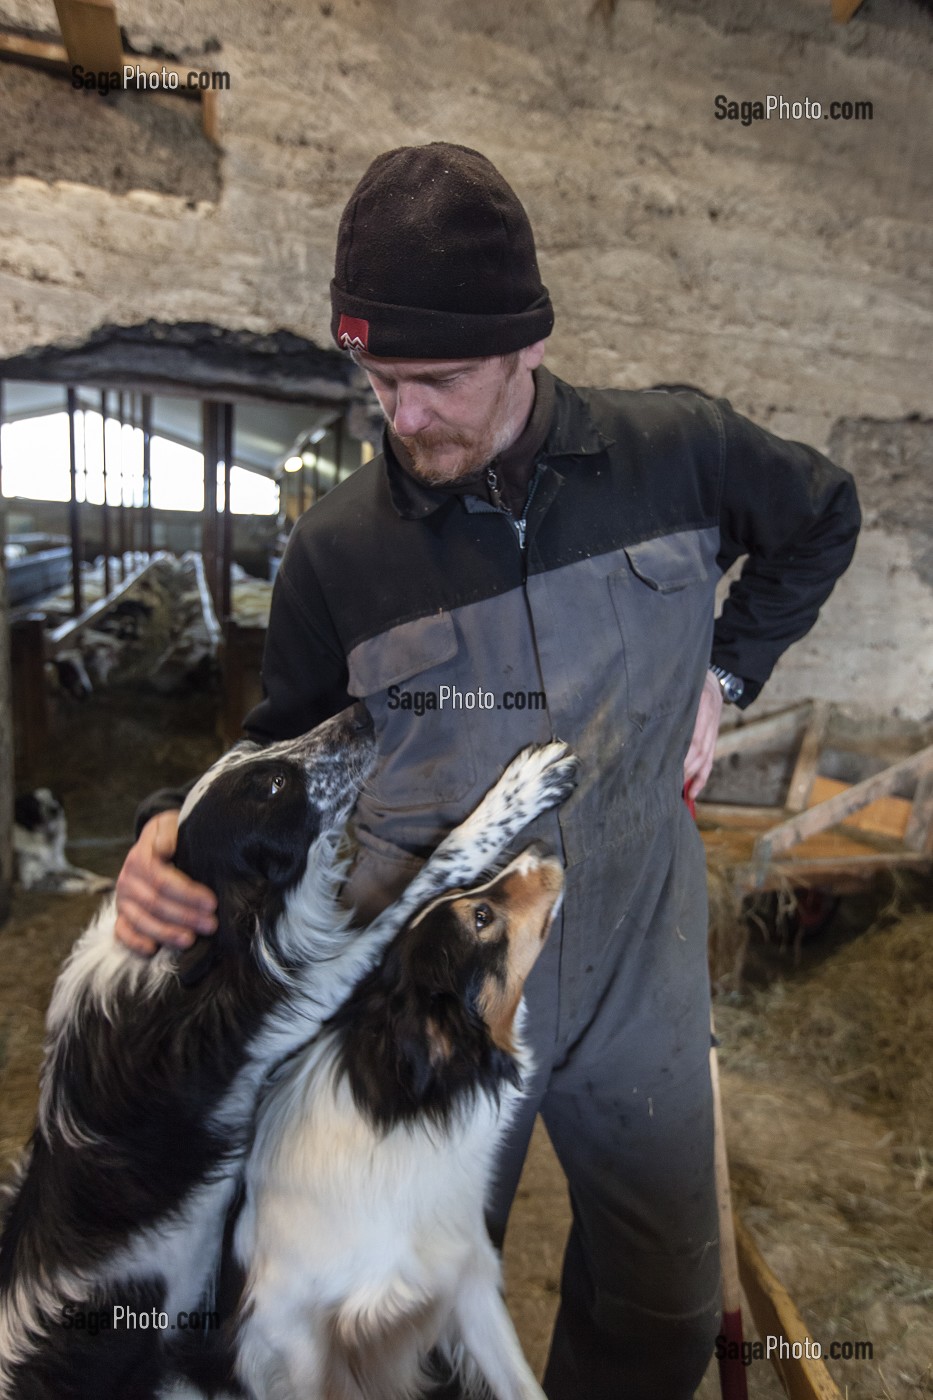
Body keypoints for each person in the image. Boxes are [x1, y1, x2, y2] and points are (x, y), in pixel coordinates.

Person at [115, 143, 861, 1398]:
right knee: (420, 1310)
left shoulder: (676, 451)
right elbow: (275, 749)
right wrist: (163, 831)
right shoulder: (339, 553)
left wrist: (725, 673)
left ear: (525, 344)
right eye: (377, 378)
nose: (402, 417)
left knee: (661, 1301)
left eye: (438, 380)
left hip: (638, 951)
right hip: (435, 989)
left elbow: (823, 515)